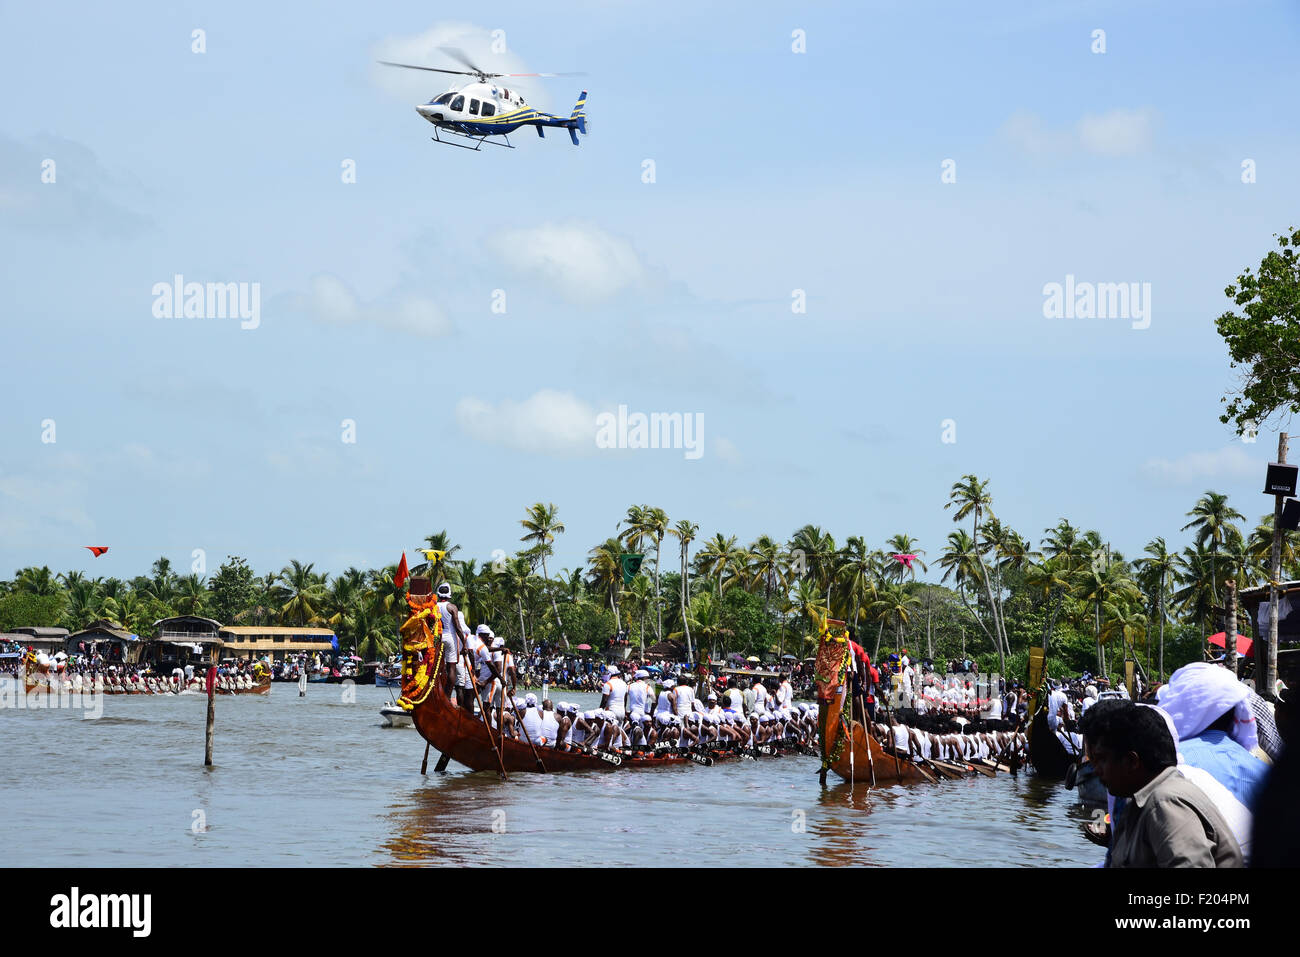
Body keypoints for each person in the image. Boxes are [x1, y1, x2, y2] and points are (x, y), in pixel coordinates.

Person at [1087, 702, 1242, 868]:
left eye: (1102, 760)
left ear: (1132, 761)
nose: (1096, 770)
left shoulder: (1164, 802)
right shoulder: (1139, 801)